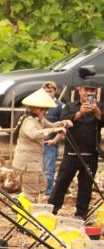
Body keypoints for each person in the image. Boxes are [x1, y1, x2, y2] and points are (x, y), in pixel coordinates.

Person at [49, 79, 104, 219]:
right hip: (71, 152)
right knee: (62, 182)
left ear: (96, 92)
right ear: (79, 90)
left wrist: (96, 110)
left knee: (86, 186)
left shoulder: (101, 107)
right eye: (86, 90)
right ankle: (52, 210)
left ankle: (81, 215)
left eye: (92, 90)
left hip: (90, 154)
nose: (88, 93)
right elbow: (64, 123)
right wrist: (80, 113)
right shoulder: (70, 106)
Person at [11, 88, 72, 202]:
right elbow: (34, 134)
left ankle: (24, 201)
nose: (46, 112)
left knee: (42, 183)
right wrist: (54, 129)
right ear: (39, 109)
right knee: (31, 191)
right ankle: (24, 208)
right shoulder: (29, 121)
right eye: (45, 110)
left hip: (35, 162)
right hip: (27, 163)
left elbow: (51, 125)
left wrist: (63, 123)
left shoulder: (40, 120)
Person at [41, 81, 65, 196]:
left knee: (49, 171)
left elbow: (63, 126)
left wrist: (55, 140)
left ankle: (48, 192)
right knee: (38, 169)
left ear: (54, 92)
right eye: (45, 91)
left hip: (50, 143)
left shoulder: (59, 106)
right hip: (38, 142)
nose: (47, 93)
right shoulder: (39, 105)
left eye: (50, 91)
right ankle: (39, 190)